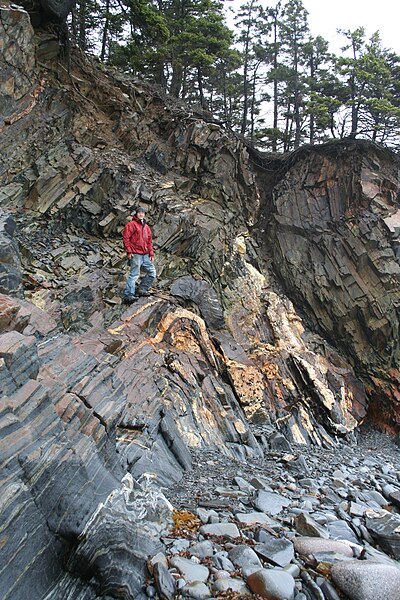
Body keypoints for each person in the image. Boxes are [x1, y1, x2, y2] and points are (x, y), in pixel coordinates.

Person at [122, 207, 156, 304]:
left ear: (144, 214)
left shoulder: (146, 227)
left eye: (143, 213)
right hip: (135, 254)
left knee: (152, 273)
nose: (141, 214)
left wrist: (151, 253)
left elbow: (149, 242)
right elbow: (126, 238)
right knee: (134, 275)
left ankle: (141, 289)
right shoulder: (131, 225)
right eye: (139, 213)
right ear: (136, 214)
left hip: (145, 254)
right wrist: (129, 252)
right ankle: (128, 295)